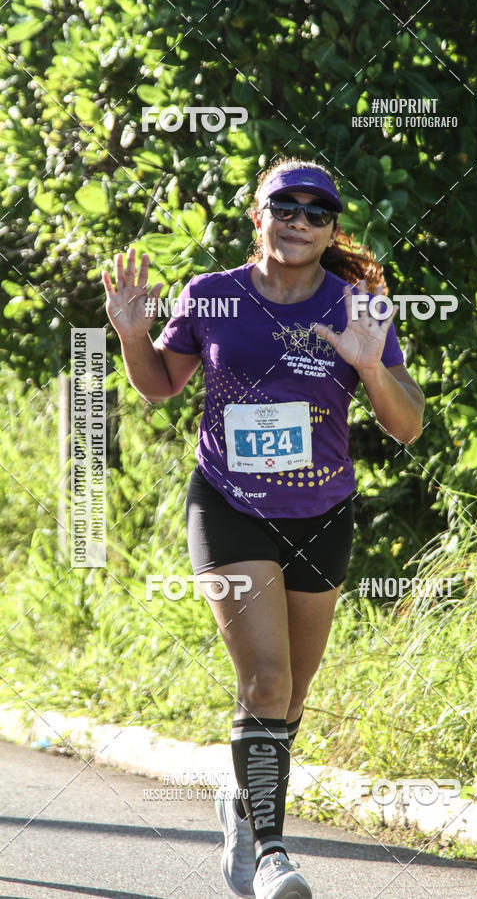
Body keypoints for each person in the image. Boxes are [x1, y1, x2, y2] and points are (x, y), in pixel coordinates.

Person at [103, 157, 424, 899]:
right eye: (286, 207)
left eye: (317, 212)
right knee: (267, 679)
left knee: (292, 695)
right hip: (228, 503)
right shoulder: (212, 296)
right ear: (259, 217)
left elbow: (408, 426)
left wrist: (371, 367)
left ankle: (243, 804)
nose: (300, 221)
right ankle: (274, 853)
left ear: (332, 230)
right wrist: (131, 335)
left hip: (321, 511)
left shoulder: (358, 307)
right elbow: (160, 384)